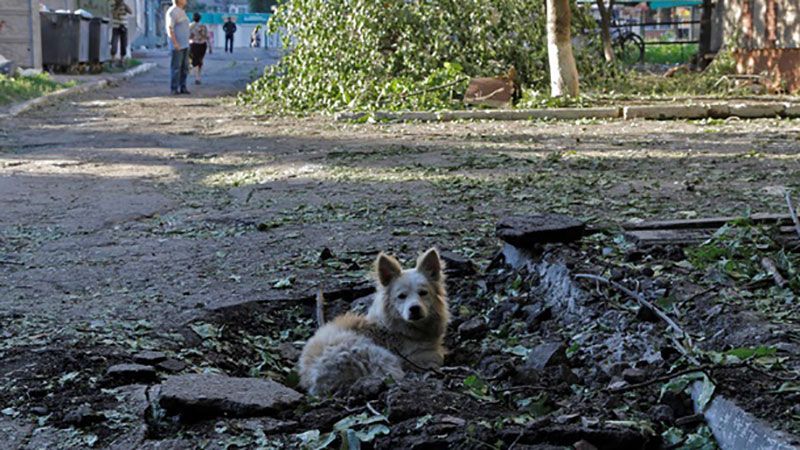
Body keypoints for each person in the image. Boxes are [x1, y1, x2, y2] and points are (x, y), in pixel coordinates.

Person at [166, 0, 190, 94]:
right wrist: (175, 42)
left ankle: (183, 87)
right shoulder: (172, 11)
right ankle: (174, 88)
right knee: (176, 67)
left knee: (185, 67)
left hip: (185, 44)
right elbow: (170, 28)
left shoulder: (181, 11)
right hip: (178, 45)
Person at [110, 0, 132, 67]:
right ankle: (113, 60)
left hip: (124, 27)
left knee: (124, 44)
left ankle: (122, 60)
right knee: (114, 43)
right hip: (116, 27)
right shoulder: (113, 6)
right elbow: (114, 15)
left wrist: (124, 5)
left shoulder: (124, 5)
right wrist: (118, 7)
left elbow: (130, 12)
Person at [189, 13, 209, 85]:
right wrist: (210, 47)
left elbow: (188, 36)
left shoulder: (190, 26)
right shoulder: (203, 26)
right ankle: (199, 76)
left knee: (195, 61)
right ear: (200, 18)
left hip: (193, 44)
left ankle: (197, 77)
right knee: (200, 60)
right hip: (203, 45)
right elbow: (207, 36)